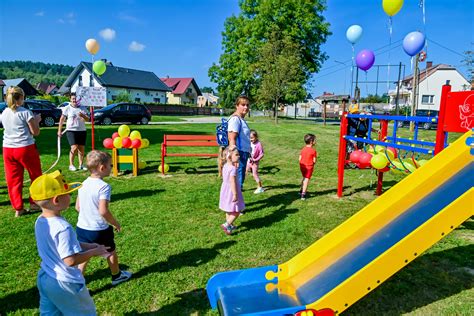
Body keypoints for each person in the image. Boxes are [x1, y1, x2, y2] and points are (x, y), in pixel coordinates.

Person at [30, 170, 109, 315]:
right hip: (65, 283)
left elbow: (59, 246)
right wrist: (94, 252)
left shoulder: (41, 221)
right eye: (68, 194)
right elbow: (70, 260)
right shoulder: (62, 227)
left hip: (45, 277)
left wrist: (87, 245)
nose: (70, 196)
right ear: (56, 200)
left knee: (50, 313)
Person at [75, 150, 132, 285]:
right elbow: (103, 211)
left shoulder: (83, 184)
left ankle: (78, 281)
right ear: (102, 168)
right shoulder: (104, 187)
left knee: (84, 255)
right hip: (99, 230)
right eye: (111, 165)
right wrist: (115, 223)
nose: (112, 168)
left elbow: (77, 207)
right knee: (110, 251)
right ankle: (117, 276)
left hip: (82, 227)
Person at [2, 86, 43, 217]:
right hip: (25, 147)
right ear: (20, 98)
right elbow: (35, 132)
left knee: (13, 180)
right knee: (35, 175)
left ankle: (18, 208)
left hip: (8, 149)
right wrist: (36, 121)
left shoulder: (4, 113)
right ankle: (34, 203)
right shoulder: (25, 112)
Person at [58, 93, 90, 171]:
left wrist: (83, 116)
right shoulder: (67, 108)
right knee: (74, 147)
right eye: (73, 99)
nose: (74, 100)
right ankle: (71, 165)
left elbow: (88, 119)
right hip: (71, 130)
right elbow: (62, 119)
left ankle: (81, 165)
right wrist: (59, 130)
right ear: (70, 99)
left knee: (81, 148)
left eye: (76, 99)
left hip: (82, 130)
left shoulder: (83, 108)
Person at [219, 147, 245, 235]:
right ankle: (227, 224)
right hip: (231, 190)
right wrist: (235, 194)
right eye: (237, 155)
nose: (239, 156)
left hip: (225, 189)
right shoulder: (233, 169)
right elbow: (232, 181)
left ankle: (230, 226)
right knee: (237, 211)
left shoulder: (226, 165)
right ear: (230, 157)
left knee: (228, 209)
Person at [227, 95, 251, 189]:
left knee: (238, 182)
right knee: (237, 184)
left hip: (243, 153)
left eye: (247, 105)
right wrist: (234, 157)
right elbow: (232, 139)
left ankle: (236, 202)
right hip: (238, 154)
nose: (246, 107)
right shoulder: (235, 120)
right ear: (237, 106)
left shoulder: (240, 119)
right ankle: (234, 203)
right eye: (243, 104)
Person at [299, 134, 317, 200]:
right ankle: (303, 194)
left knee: (304, 178)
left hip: (302, 166)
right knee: (306, 179)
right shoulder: (313, 151)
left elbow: (299, 158)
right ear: (311, 141)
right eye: (315, 140)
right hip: (309, 167)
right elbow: (314, 160)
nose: (316, 141)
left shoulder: (303, 149)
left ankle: (301, 190)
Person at [246, 129, 265, 194]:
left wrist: (255, 160)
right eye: (249, 138)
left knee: (255, 175)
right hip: (249, 161)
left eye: (252, 138)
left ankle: (260, 187)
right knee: (244, 172)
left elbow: (262, 154)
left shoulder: (259, 144)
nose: (251, 139)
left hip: (254, 163)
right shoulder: (249, 142)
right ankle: (240, 186)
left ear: (256, 137)